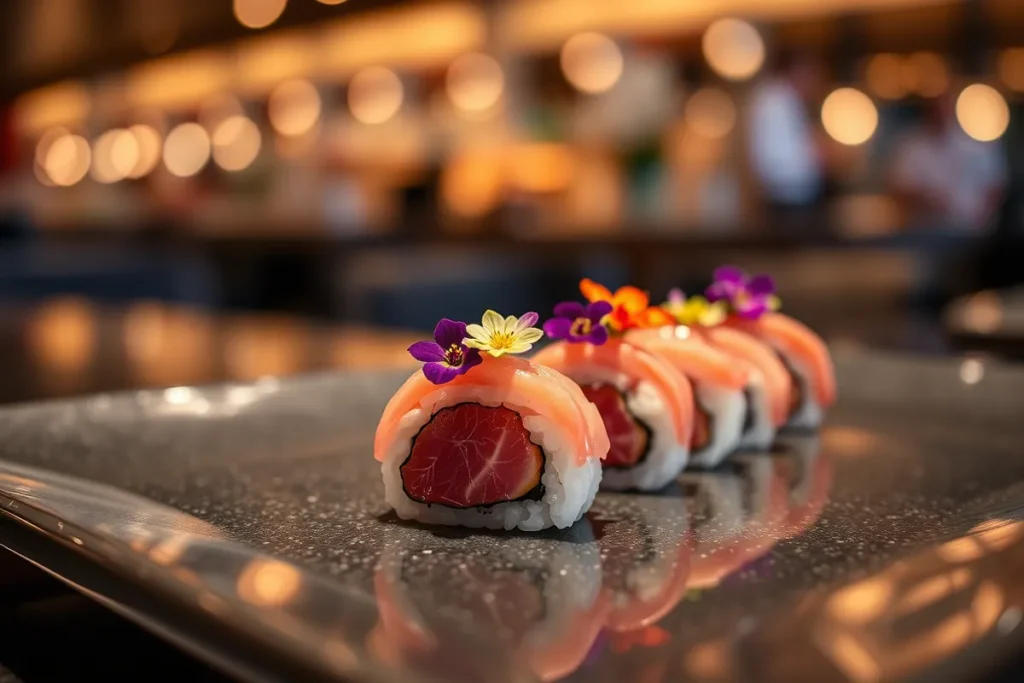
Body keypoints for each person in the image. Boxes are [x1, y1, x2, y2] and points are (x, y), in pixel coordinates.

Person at [891, 92, 1007, 230]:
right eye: (935, 108)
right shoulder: (911, 147)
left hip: (976, 232)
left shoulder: (977, 142)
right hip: (926, 232)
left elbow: (997, 184)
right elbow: (899, 189)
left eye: (944, 107)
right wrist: (928, 200)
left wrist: (982, 215)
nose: (940, 113)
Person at [747, 50, 826, 222]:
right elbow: (773, 157)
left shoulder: (786, 100)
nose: (813, 82)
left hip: (792, 195)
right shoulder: (774, 101)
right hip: (786, 197)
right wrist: (817, 155)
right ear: (797, 70)